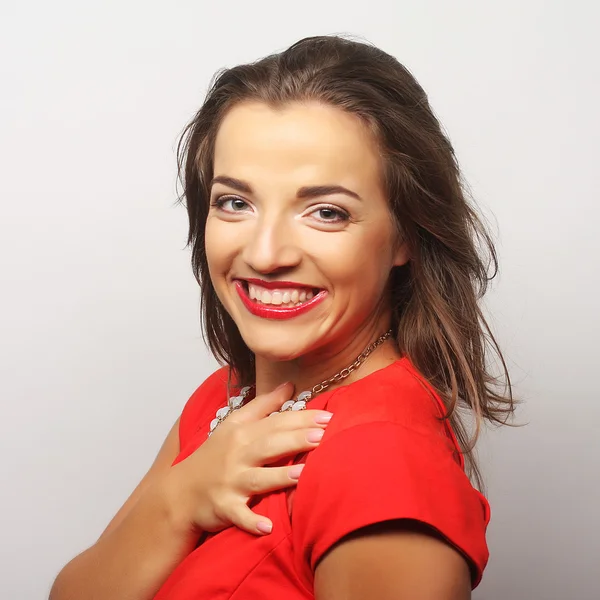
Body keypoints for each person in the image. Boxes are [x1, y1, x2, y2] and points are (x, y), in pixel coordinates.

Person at [50, 34, 514, 600]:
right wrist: (178, 502)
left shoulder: (381, 464)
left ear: (406, 235)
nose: (266, 254)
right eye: (235, 202)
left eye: (326, 212)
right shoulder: (225, 400)